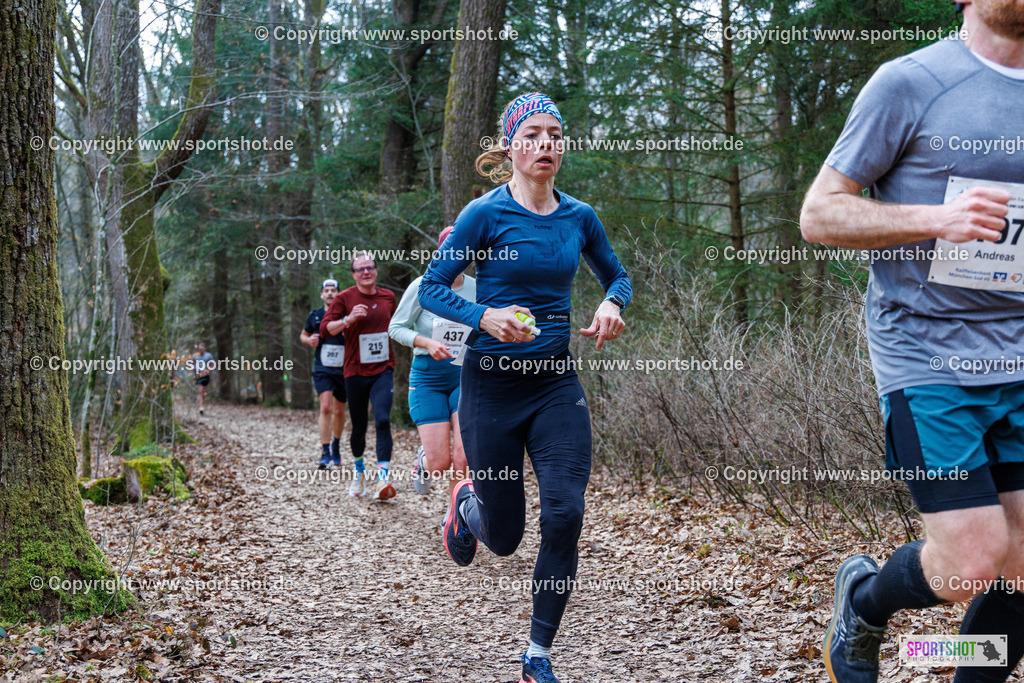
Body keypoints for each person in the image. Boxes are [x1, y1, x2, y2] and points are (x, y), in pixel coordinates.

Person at [800, 2, 1024, 681]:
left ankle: (941, 662)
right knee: (972, 562)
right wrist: (938, 218)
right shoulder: (912, 82)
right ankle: (865, 602)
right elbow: (819, 213)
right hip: (928, 356)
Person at [418, 92, 631, 683]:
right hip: (490, 388)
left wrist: (613, 303)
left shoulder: (579, 217)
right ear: (511, 145)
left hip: (554, 385)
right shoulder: (484, 214)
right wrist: (482, 317)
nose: (545, 145)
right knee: (507, 537)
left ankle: (537, 654)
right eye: (532, 134)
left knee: (566, 513)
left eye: (554, 135)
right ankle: (467, 505)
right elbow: (433, 288)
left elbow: (618, 275)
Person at [389, 227, 476, 501]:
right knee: (440, 465)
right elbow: (396, 327)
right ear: (441, 252)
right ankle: (424, 462)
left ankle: (457, 521)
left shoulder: (478, 288)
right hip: (428, 379)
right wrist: (426, 343)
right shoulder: (422, 286)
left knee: (464, 457)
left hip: (465, 377)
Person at [321, 253, 398, 500]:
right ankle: (359, 471)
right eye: (360, 269)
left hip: (383, 368)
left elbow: (399, 326)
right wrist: (348, 319)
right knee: (359, 426)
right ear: (353, 275)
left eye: (370, 268)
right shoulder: (345, 298)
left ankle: (383, 477)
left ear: (376, 271)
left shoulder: (388, 297)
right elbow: (325, 329)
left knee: (383, 419)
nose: (366, 272)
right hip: (354, 370)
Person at [301, 278, 348, 469]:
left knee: (338, 411)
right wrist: (309, 340)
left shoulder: (346, 315)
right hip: (322, 369)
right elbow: (303, 335)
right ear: (322, 294)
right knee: (326, 407)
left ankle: (336, 445)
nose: (330, 293)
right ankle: (325, 451)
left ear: (339, 294)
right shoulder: (315, 315)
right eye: (326, 290)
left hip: (343, 369)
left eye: (333, 290)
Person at [192, 343, 215, 416]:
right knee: (199, 391)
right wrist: (194, 369)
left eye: (202, 349)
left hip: (206, 376)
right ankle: (200, 407)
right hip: (198, 376)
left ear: (204, 348)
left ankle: (202, 405)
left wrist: (208, 371)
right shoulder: (195, 356)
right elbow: (191, 364)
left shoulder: (208, 355)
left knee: (203, 392)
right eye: (199, 349)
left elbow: (213, 364)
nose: (200, 350)